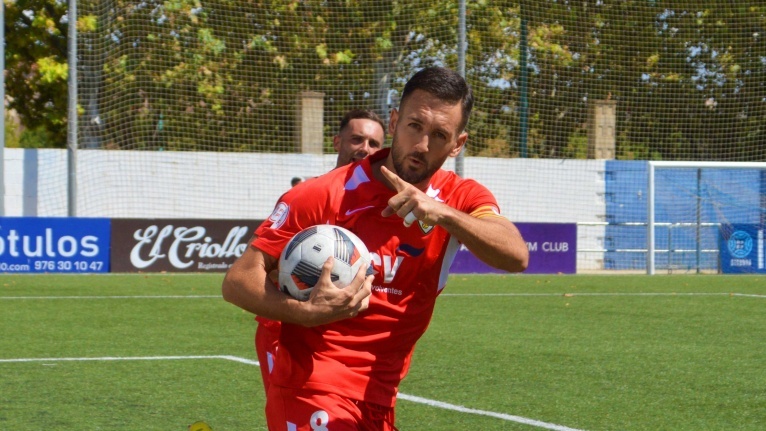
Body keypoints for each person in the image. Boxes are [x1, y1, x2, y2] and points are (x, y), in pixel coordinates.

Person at [222, 67, 529, 431]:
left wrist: (442, 213)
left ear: (458, 144)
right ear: (395, 121)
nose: (422, 145)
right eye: (415, 126)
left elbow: (515, 255)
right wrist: (304, 312)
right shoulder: (323, 194)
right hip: (312, 382)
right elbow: (238, 280)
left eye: (440, 135)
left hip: (380, 393)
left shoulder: (460, 197)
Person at [255, 108, 387, 396]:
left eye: (374, 143)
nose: (365, 149)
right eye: (356, 139)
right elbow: (258, 267)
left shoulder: (382, 207)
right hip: (287, 329)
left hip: (343, 339)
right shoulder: (309, 195)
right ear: (337, 142)